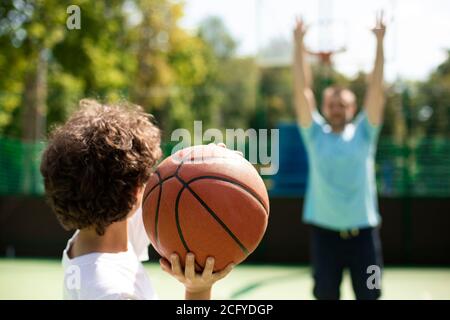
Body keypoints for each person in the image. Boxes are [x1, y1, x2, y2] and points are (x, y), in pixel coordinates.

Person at [40, 99, 233, 300]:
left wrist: (212, 165)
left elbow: (164, 201)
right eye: (145, 179)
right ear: (134, 193)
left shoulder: (94, 241)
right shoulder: (113, 293)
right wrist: (197, 291)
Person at [292, 12, 386, 300]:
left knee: (371, 294)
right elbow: (301, 90)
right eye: (331, 104)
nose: (336, 108)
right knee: (325, 296)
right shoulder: (315, 134)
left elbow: (376, 89)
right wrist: (298, 44)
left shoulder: (364, 134)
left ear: (353, 108)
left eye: (342, 104)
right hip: (324, 236)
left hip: (365, 237)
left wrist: (380, 42)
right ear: (324, 106)